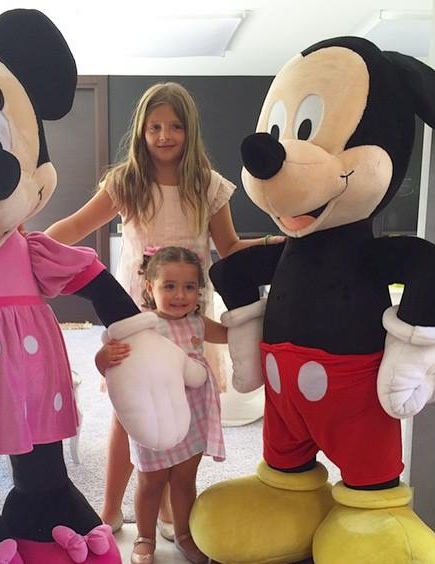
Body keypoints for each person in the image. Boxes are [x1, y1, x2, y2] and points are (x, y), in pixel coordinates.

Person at [45, 81, 283, 537]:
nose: (164, 135)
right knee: (128, 414)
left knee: (181, 407)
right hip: (136, 316)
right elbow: (73, 227)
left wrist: (279, 243)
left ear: (188, 130)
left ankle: (170, 510)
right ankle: (110, 509)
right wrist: (29, 247)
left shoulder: (208, 186)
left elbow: (230, 247)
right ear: (142, 131)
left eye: (174, 126)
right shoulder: (125, 183)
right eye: (154, 127)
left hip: (189, 312)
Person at [96, 246, 227, 564]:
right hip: (153, 416)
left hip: (193, 415)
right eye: (169, 286)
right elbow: (111, 363)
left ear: (200, 291)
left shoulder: (198, 323)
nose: (180, 295)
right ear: (149, 287)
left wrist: (256, 316)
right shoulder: (142, 327)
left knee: (184, 480)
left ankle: (183, 533)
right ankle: (145, 537)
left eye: (189, 287)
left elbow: (230, 334)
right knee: (151, 482)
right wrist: (103, 358)